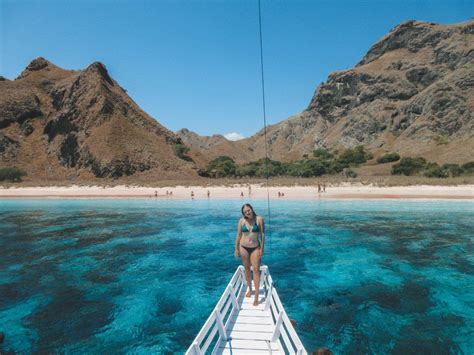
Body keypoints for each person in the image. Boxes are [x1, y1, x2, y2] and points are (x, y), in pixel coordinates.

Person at [234, 204, 265, 306]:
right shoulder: (242, 221)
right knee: (247, 268)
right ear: (243, 213)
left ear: (252, 209)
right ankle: (250, 289)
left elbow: (262, 234)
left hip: (256, 247)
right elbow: (238, 235)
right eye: (245, 212)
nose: (247, 212)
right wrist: (236, 249)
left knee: (256, 270)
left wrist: (262, 248)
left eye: (249, 210)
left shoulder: (259, 219)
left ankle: (256, 296)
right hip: (243, 247)